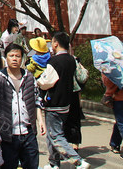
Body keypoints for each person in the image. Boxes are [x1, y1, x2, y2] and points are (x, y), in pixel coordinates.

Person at [36, 32, 90, 169]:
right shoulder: (71, 59)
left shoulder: (54, 62)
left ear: (55, 44)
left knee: (56, 136)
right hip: (66, 103)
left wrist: (38, 82)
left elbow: (46, 81)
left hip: (54, 103)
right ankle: (54, 163)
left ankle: (78, 161)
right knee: (52, 135)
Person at [0, 43, 41, 169]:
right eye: (11, 55)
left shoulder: (29, 77)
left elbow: (36, 101)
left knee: (32, 165)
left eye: (17, 56)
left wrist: (41, 121)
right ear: (5, 58)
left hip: (28, 132)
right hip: (7, 134)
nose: (14, 58)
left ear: (22, 58)